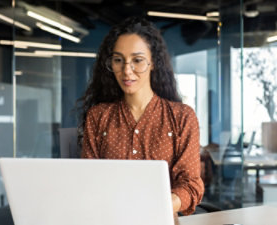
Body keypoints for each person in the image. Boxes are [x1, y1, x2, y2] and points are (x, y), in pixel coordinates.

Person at [78, 16, 204, 216]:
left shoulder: (182, 117)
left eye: (137, 60)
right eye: (119, 60)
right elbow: (88, 181)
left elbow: (191, 185)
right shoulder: (98, 116)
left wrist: (159, 204)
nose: (127, 71)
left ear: (153, 62)